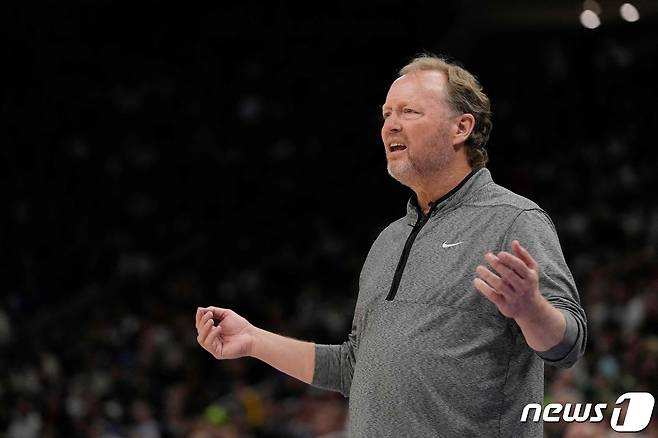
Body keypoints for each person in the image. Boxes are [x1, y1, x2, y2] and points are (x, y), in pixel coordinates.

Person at [195, 54, 587, 437]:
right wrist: (254, 341)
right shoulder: (388, 240)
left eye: (409, 112)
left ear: (461, 127)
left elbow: (568, 345)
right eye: (386, 114)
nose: (390, 126)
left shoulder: (513, 219)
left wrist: (531, 310)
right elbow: (353, 367)